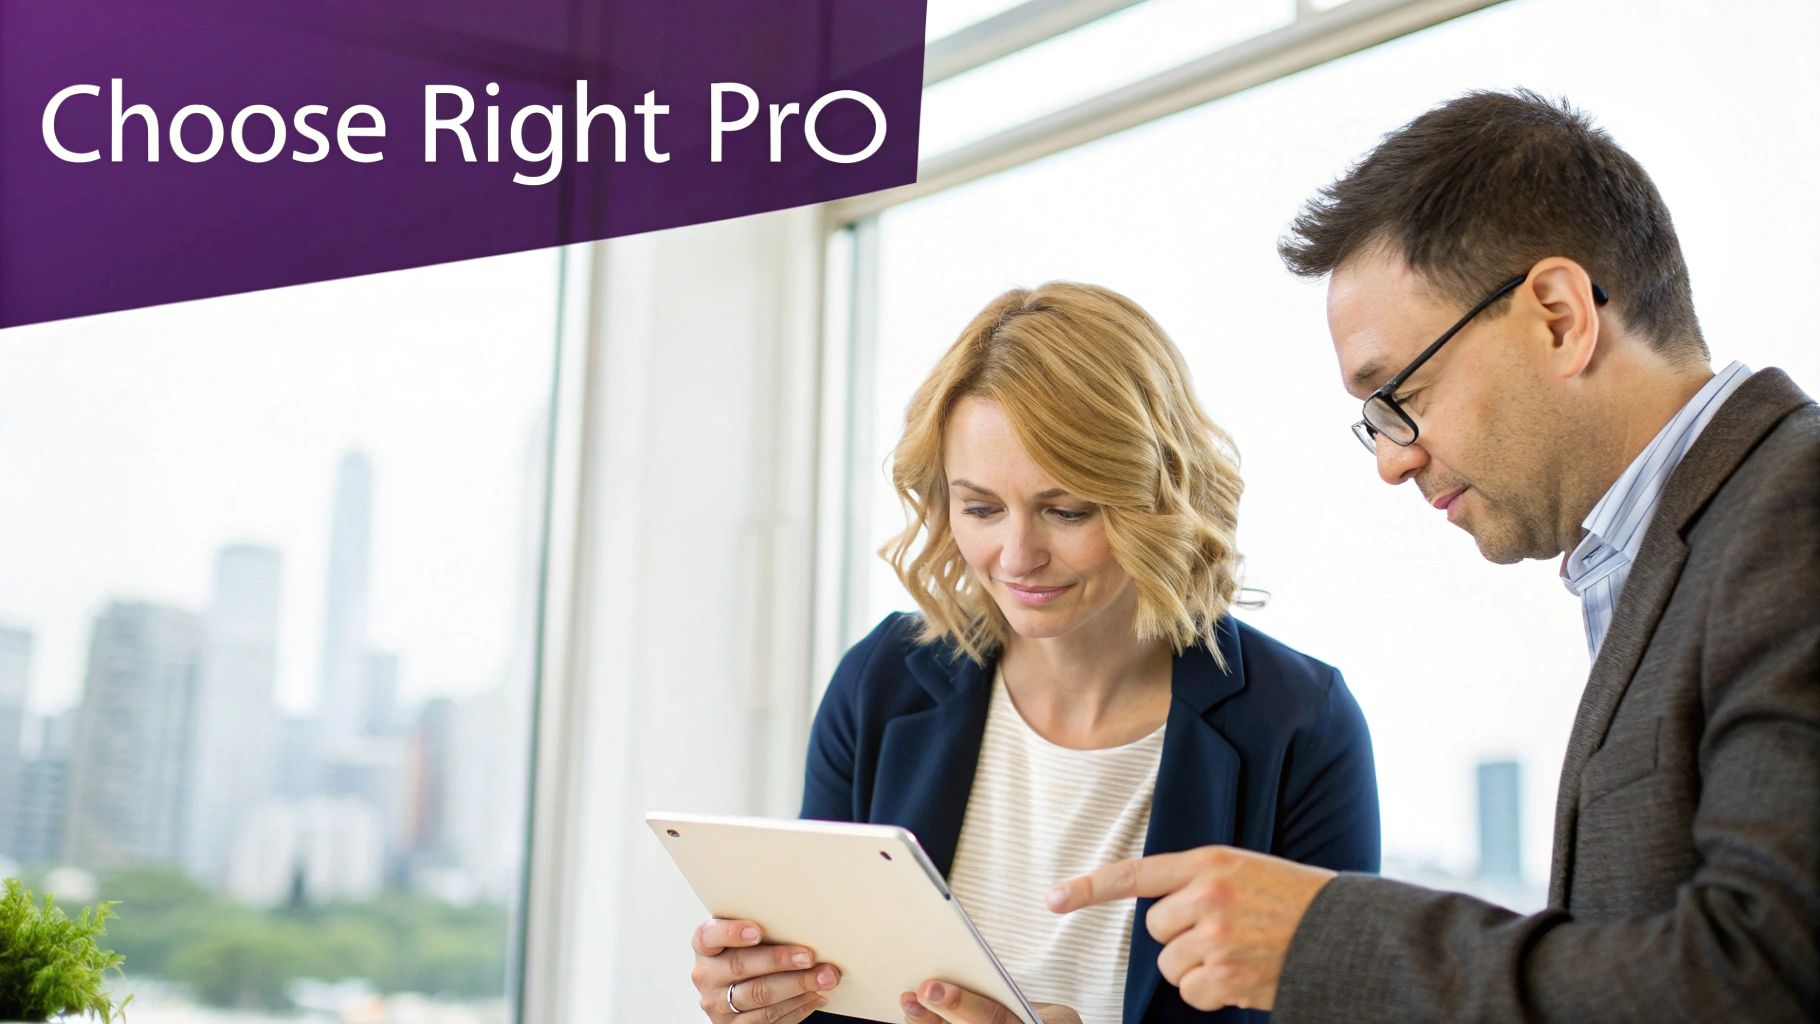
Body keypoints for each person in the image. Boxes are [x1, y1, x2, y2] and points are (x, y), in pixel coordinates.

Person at [1048, 90, 1820, 1020]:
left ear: (1559, 317)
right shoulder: (1665, 552)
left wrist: (1322, 939)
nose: (1391, 460)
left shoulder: (1792, 513)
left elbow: (1764, 976)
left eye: (1399, 394)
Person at [686, 282, 1381, 1024]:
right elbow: (831, 987)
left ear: (1155, 493)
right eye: (980, 508)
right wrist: (766, 999)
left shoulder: (1299, 726)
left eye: (1066, 510)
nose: (1017, 556)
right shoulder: (882, 680)